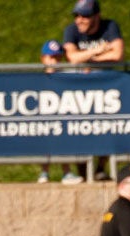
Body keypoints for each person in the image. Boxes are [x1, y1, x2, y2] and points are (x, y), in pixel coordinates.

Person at [63, 0, 125, 181]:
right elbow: (72, 58)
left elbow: (117, 54)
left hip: (105, 88)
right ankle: (83, 172)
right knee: (78, 129)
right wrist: (98, 50)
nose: (79, 20)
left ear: (97, 16)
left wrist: (88, 59)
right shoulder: (71, 30)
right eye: (77, 15)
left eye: (85, 16)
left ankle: (100, 168)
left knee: (107, 126)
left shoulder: (110, 27)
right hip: (79, 90)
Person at [37, 40, 84, 185]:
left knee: (63, 138)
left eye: (57, 57)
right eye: (51, 57)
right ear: (43, 58)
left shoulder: (67, 76)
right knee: (45, 140)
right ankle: (44, 173)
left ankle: (67, 172)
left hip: (62, 114)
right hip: (45, 115)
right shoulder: (37, 79)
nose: (54, 61)